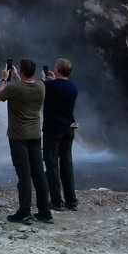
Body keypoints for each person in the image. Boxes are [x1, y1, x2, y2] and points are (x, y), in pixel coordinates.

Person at [0, 57, 53, 225]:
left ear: (20, 71)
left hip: (18, 136)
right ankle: (45, 213)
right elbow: (27, 85)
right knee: (39, 174)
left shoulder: (15, 88)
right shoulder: (41, 86)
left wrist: (4, 78)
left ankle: (24, 213)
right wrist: (18, 78)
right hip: (35, 135)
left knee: (24, 175)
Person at [42, 58, 79, 211]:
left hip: (53, 129)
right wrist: (51, 81)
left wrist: (44, 80)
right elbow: (59, 88)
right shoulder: (73, 87)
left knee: (51, 164)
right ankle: (72, 201)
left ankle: (56, 201)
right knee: (66, 163)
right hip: (69, 128)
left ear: (57, 69)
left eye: (55, 66)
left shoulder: (48, 86)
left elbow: (41, 92)